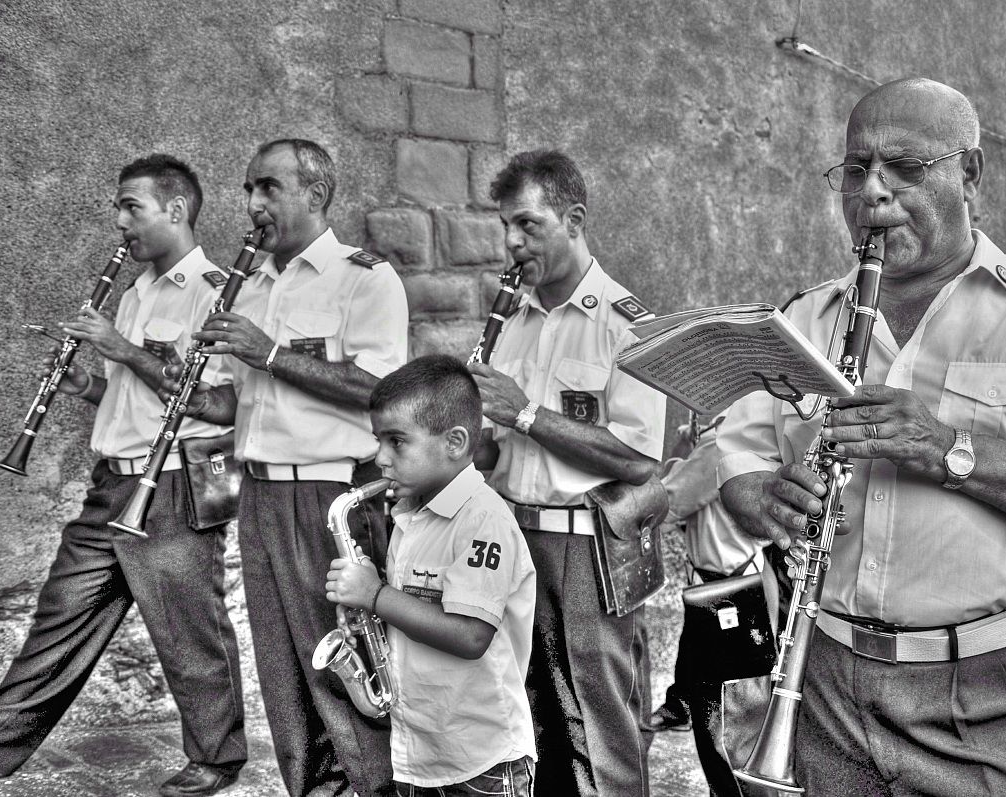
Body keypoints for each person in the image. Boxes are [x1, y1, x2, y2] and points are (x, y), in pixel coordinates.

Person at [717, 77, 1006, 796]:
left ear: (972, 175)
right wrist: (765, 496)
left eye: (907, 167)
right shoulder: (800, 321)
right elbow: (737, 464)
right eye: (856, 169)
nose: (873, 191)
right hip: (828, 681)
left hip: (999, 693)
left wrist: (948, 448)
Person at [0, 154, 247, 797]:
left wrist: (120, 348)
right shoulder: (136, 292)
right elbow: (135, 398)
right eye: (118, 208)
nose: (120, 221)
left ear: (175, 210)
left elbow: (218, 402)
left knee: (188, 629)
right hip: (114, 484)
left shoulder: (216, 290)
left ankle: (217, 758)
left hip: (176, 481)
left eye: (133, 207)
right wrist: (88, 382)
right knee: (60, 614)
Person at [182, 138, 409, 797]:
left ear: (314, 194)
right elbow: (236, 399)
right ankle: (312, 787)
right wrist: (190, 391)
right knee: (280, 663)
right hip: (258, 494)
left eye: (268, 188)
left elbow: (381, 388)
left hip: (329, 492)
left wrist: (272, 351)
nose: (253, 204)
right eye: (250, 188)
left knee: (343, 658)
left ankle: (376, 786)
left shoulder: (365, 278)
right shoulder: (248, 285)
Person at [467, 149, 667, 796]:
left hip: (587, 544)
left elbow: (638, 460)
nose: (512, 243)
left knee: (598, 721)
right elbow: (496, 453)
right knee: (530, 713)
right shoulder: (510, 322)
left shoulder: (629, 325)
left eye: (527, 225)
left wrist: (525, 412)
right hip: (513, 535)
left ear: (574, 218)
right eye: (505, 227)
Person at [325, 354, 537, 796]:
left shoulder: (483, 521)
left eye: (396, 442)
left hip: (481, 759)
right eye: (378, 440)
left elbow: (469, 636)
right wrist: (367, 614)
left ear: (455, 442)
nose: (380, 458)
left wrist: (376, 595)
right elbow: (415, 611)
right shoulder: (410, 515)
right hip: (420, 750)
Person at [648, 411, 773, 797]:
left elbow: (666, 502)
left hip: (728, 592)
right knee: (727, 705)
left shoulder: (717, 445)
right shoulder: (718, 439)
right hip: (731, 582)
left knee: (723, 721)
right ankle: (679, 705)